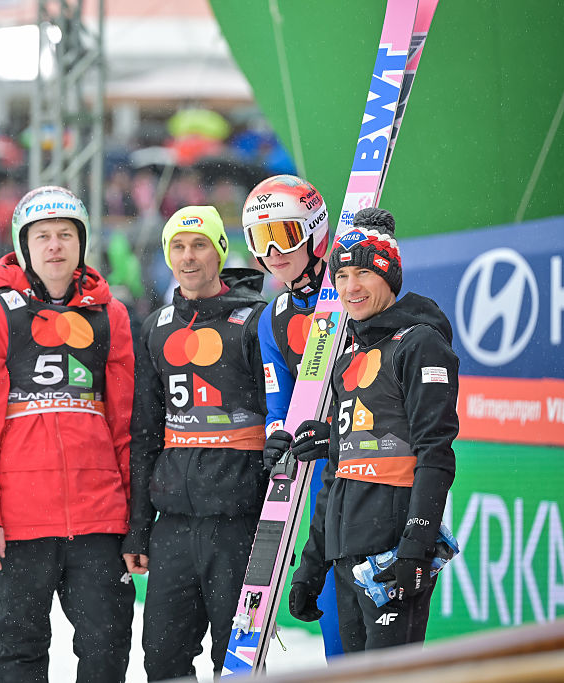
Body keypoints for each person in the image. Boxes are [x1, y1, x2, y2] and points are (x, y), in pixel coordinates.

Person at [0, 186, 135, 683]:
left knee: (108, 644)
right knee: (21, 647)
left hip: (98, 521)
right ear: (24, 246)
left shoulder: (111, 317)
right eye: (43, 236)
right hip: (20, 521)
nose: (55, 246)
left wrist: (134, 519)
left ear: (81, 244)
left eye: (66, 236)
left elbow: (124, 429)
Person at [288, 207, 459, 652]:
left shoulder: (420, 343)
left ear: (389, 276)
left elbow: (435, 452)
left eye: (363, 272)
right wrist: (311, 566)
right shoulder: (349, 354)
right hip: (347, 554)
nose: (351, 287)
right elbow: (338, 468)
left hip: (393, 553)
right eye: (341, 276)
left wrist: (417, 544)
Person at [123, 206, 269, 680]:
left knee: (237, 660)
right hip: (174, 525)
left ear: (220, 251)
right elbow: (145, 433)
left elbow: (283, 415)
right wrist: (138, 528)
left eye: (200, 244)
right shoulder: (157, 327)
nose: (188, 257)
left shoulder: (255, 323)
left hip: (237, 522)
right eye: (178, 247)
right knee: (162, 658)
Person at [239, 174, 344, 658]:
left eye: (283, 235)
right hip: (318, 470)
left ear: (315, 232)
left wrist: (341, 429)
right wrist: (276, 435)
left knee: (369, 599)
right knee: (330, 601)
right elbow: (278, 398)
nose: (273, 253)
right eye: (261, 240)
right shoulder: (273, 316)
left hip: (370, 463)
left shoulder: (353, 292)